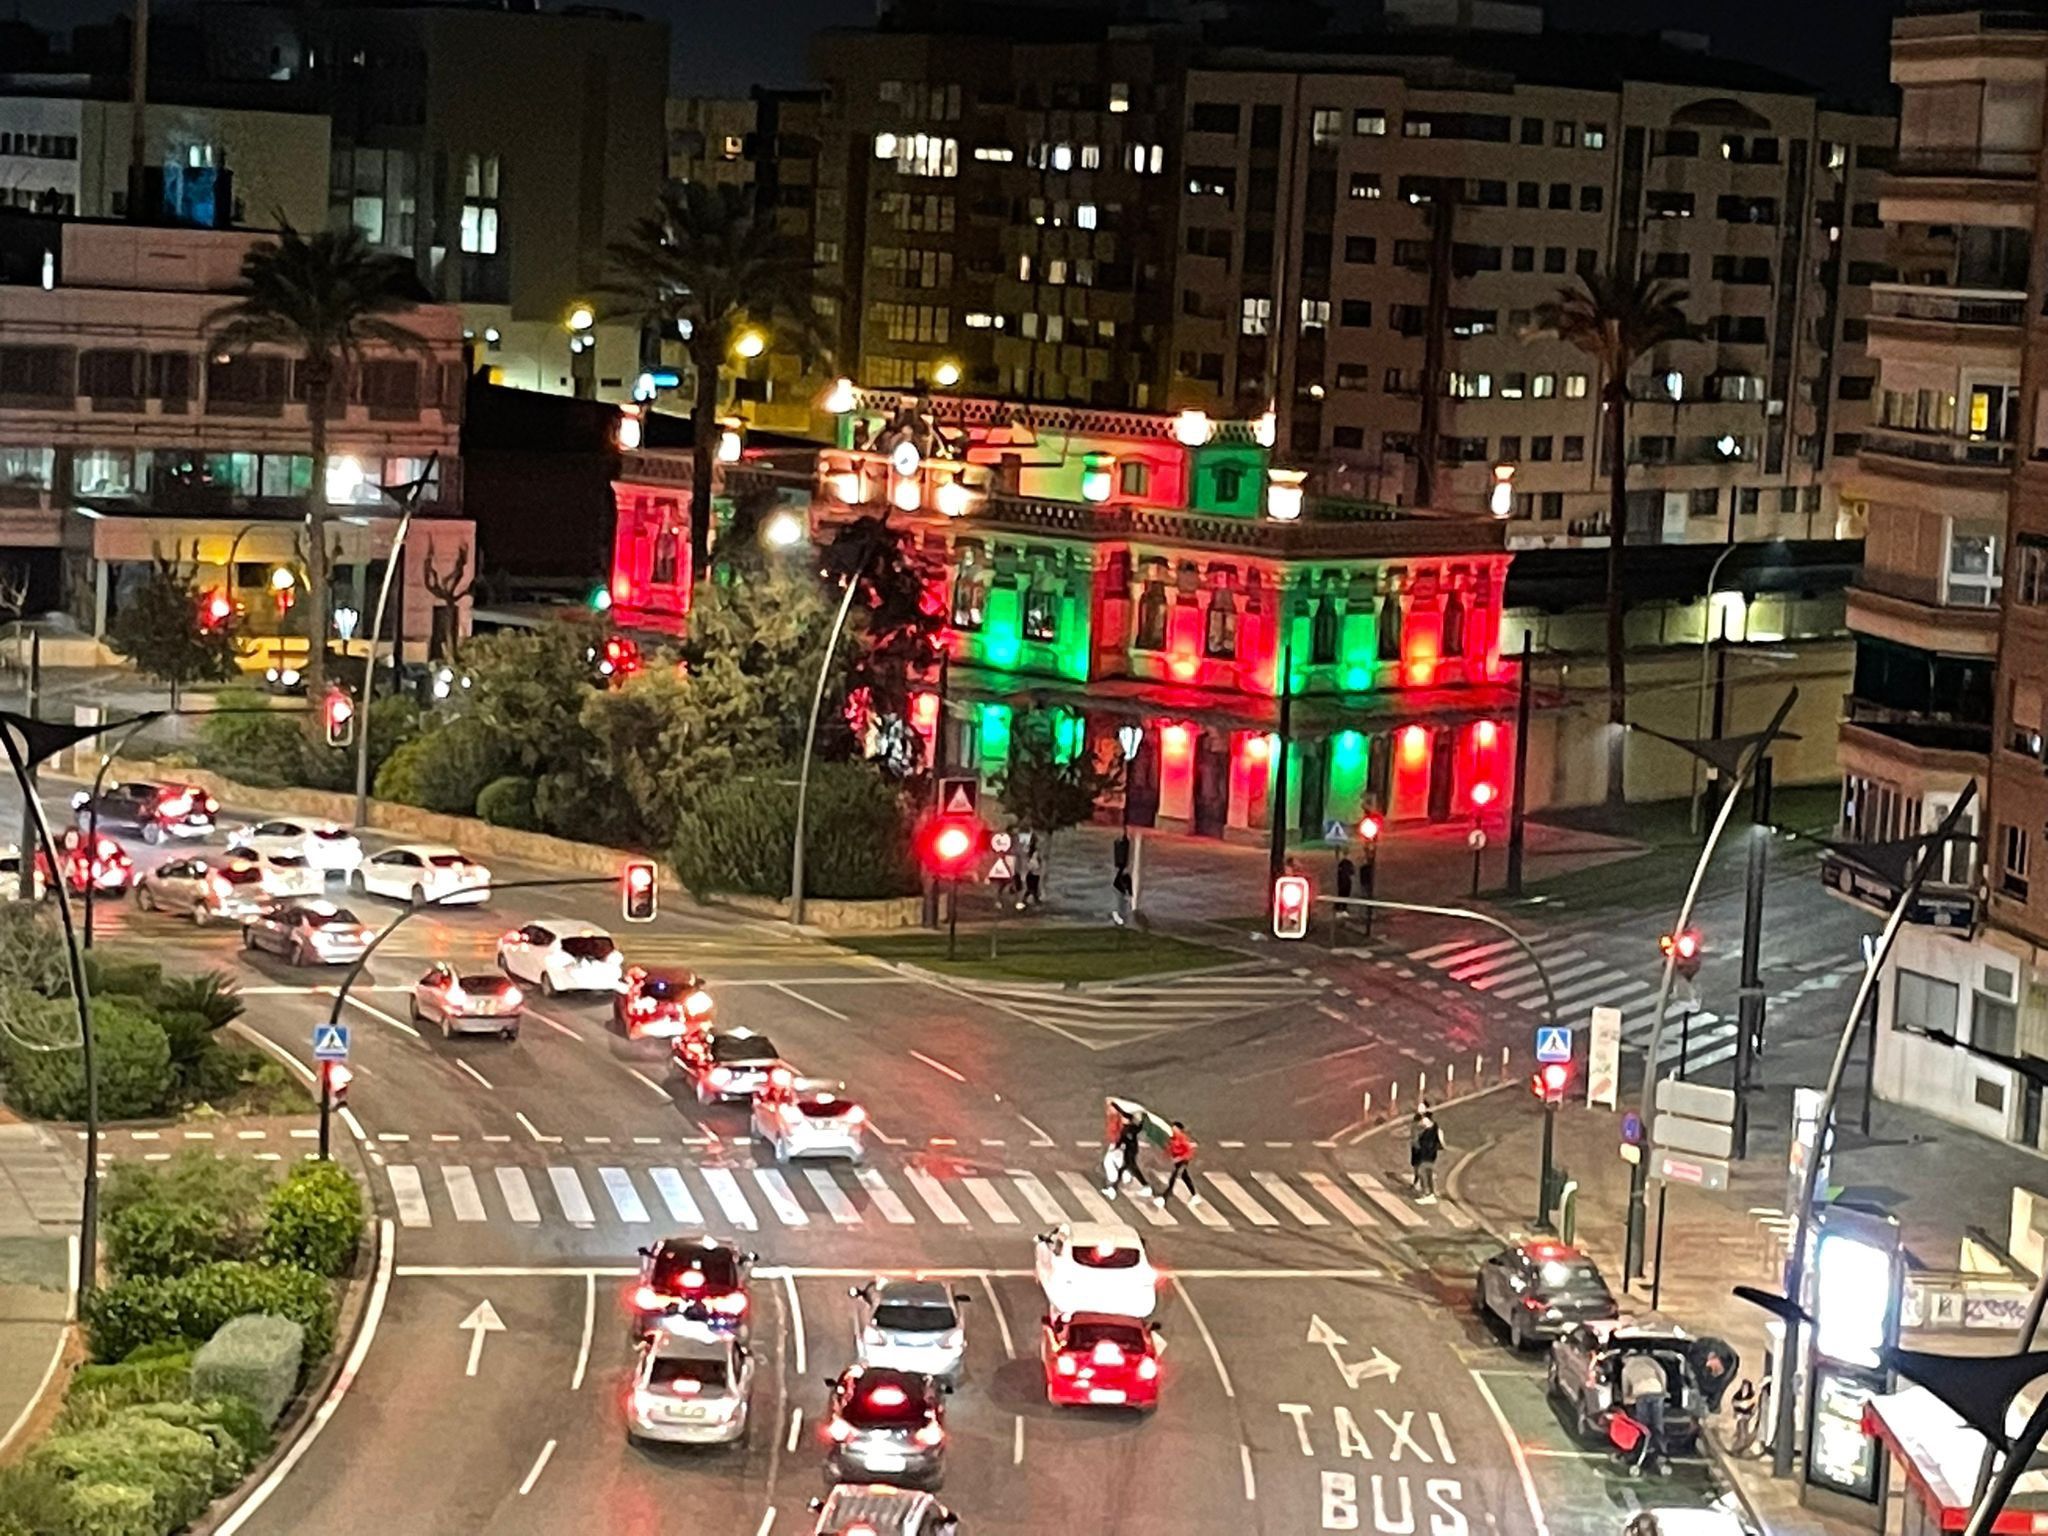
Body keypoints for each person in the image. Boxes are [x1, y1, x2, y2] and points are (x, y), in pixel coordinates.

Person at [1620, 1352, 1670, 1477]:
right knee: (1658, 1424)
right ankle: (1661, 1454)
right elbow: (1662, 1373)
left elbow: (1625, 1392)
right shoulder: (1649, 1360)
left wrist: (1627, 1400)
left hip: (1641, 1394)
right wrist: (1663, 1389)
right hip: (1657, 1391)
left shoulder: (1626, 1369)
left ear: (1625, 1359)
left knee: (1643, 1427)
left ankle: (1643, 1451)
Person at [1155, 1120, 1199, 1207]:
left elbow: (1188, 1151)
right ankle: (1195, 1195)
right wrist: (1165, 1155)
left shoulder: (1182, 1138)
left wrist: (1179, 1158)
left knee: (1173, 1178)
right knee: (1185, 1177)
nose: (1173, 1130)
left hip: (1183, 1161)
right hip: (1177, 1161)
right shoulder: (1173, 1138)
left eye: (1175, 1129)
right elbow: (1171, 1148)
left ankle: (1164, 1197)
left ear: (1179, 1130)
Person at [1105, 1108, 1144, 1197]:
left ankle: (1115, 1185)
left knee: (1124, 1166)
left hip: (1128, 1151)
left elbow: (1124, 1139)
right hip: (1128, 1150)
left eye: (1123, 1118)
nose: (1122, 1119)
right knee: (1124, 1167)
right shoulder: (1129, 1128)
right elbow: (1138, 1129)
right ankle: (1114, 1186)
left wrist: (1117, 1147)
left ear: (1127, 1120)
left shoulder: (1127, 1129)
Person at [1410, 1108, 1442, 1203]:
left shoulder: (1421, 1126)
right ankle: (1431, 1192)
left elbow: (1416, 1142)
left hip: (1424, 1153)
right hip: (1432, 1153)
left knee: (1422, 1172)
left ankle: (1426, 1193)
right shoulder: (1435, 1126)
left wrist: (1416, 1145)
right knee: (1429, 1173)